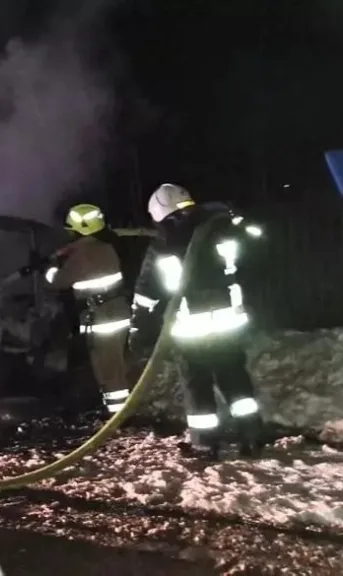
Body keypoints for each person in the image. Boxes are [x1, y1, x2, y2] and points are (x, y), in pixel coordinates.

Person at [128, 183, 265, 460]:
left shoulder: (164, 244)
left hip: (193, 331)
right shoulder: (223, 230)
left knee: (198, 387)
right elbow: (251, 260)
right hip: (230, 325)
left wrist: (138, 330)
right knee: (235, 379)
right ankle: (252, 436)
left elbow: (147, 293)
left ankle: (205, 445)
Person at [40, 203, 135, 416]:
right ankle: (121, 411)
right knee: (116, 364)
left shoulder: (81, 255)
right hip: (118, 313)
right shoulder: (105, 247)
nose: (69, 232)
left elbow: (56, 282)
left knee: (107, 368)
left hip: (102, 320)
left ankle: (118, 416)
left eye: (71, 228)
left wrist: (52, 266)